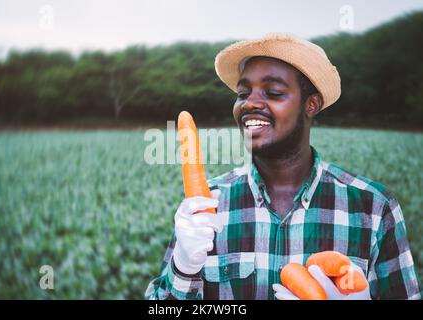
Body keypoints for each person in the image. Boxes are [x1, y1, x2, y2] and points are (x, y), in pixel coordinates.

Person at [145, 33, 421, 300]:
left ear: (311, 104)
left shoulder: (373, 207)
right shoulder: (206, 206)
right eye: (243, 93)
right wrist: (182, 268)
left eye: (273, 92)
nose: (250, 103)